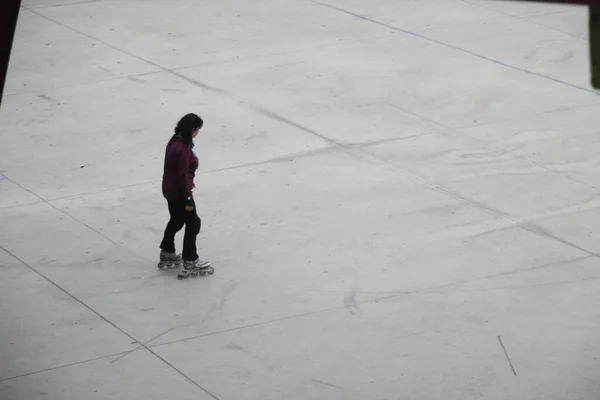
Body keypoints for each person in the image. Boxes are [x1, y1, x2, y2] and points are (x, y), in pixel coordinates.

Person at [158, 113, 214, 279]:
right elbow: (182, 174)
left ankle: (167, 250)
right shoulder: (182, 148)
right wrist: (187, 198)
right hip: (179, 191)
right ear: (193, 129)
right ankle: (190, 259)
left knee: (176, 220)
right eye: (198, 129)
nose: (198, 132)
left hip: (169, 189)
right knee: (193, 222)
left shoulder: (175, 140)